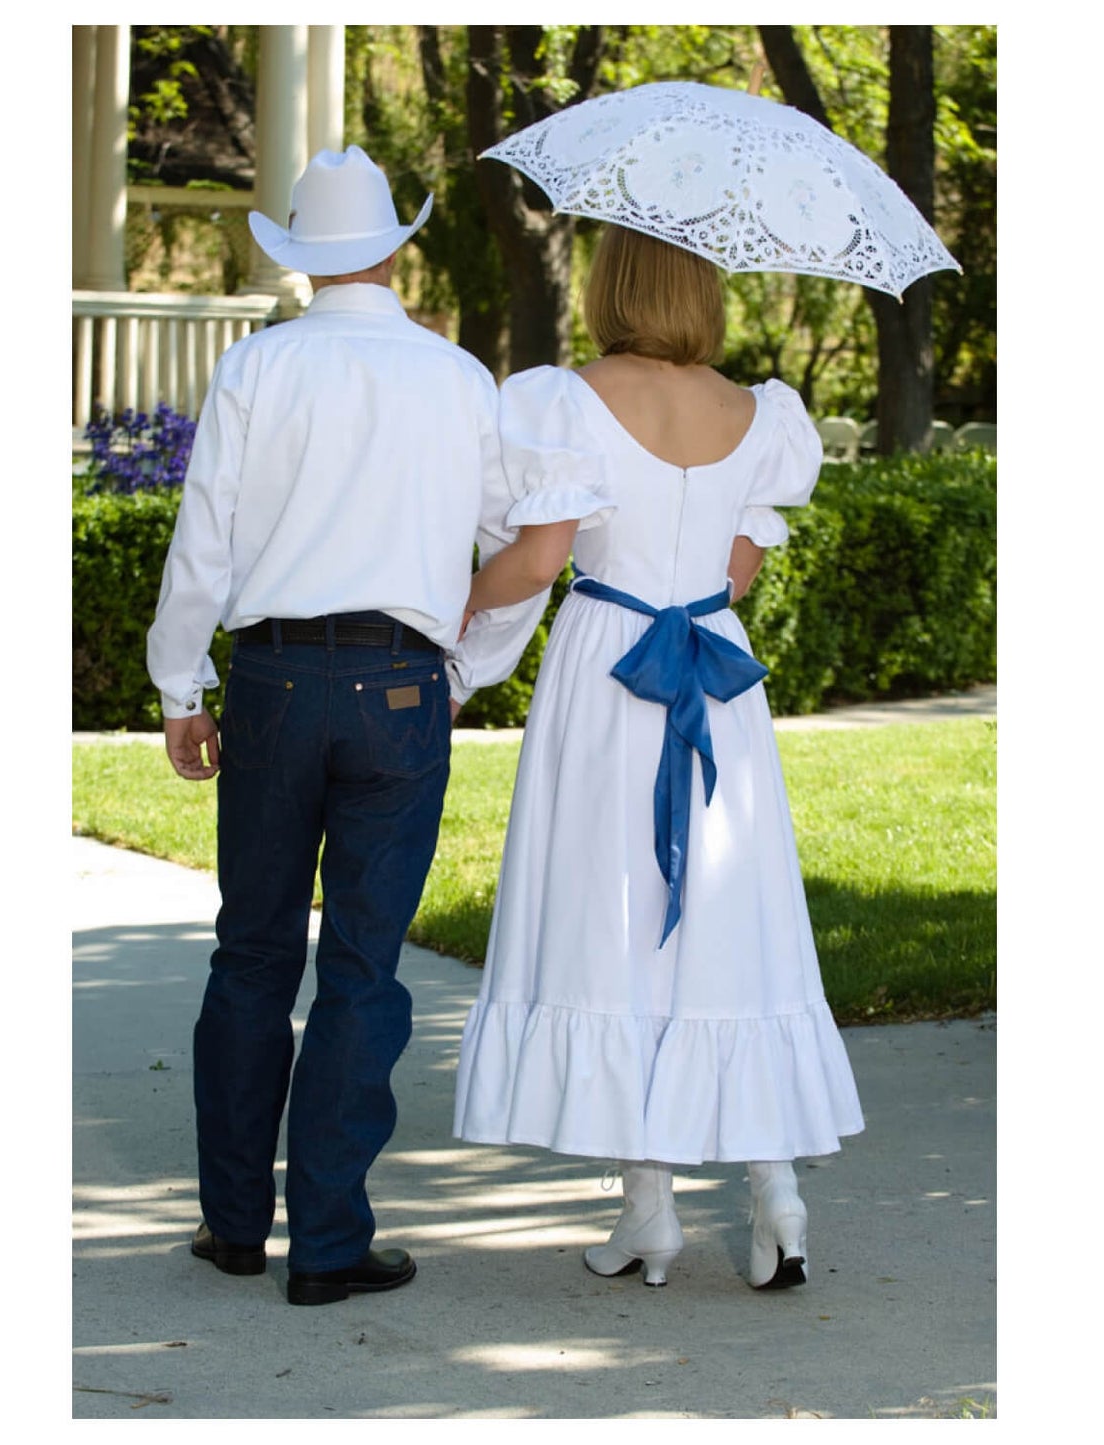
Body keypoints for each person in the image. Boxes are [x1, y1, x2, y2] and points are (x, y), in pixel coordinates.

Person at [147, 146, 540, 1307]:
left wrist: (181, 687)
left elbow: (203, 540)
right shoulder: (459, 377)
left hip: (269, 684)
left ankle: (231, 1224)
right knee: (362, 966)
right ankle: (327, 1241)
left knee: (252, 952)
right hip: (402, 683)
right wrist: (461, 672)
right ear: (394, 245)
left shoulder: (258, 368)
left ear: (301, 256)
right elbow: (513, 552)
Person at [451, 224, 866, 1289]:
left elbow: (538, 556)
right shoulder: (757, 413)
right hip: (710, 672)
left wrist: (449, 618)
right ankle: (775, 1193)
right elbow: (734, 574)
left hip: (608, 668)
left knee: (612, 918)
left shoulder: (557, 397)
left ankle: (651, 1206)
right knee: (729, 925)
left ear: (609, 285)